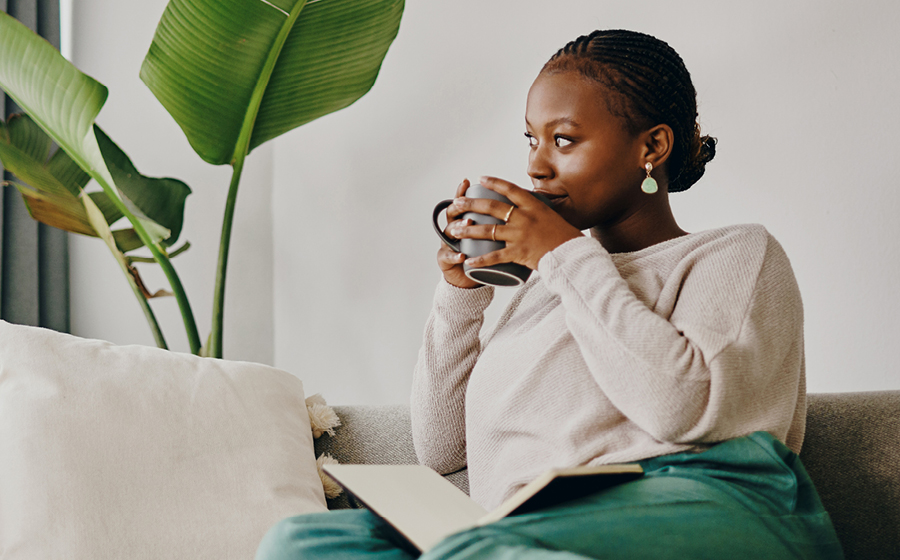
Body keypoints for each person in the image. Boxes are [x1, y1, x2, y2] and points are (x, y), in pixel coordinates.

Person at [256, 29, 844, 560]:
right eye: (531, 139)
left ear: (653, 147)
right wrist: (461, 294)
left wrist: (562, 254)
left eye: (563, 140)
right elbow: (441, 451)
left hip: (711, 507)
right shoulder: (540, 286)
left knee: (482, 550)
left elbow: (684, 410)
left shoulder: (734, 255)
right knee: (302, 542)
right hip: (522, 531)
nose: (536, 166)